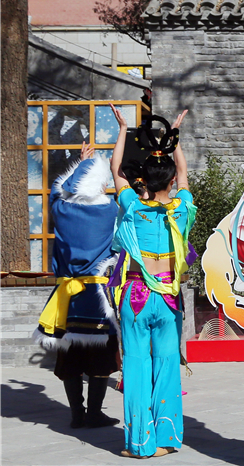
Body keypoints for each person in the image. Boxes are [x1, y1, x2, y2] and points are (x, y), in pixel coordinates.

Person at [109, 106, 195, 459]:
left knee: (136, 366)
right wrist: (174, 137)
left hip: (137, 295)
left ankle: (140, 443)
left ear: (142, 179)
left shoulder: (133, 207)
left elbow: (116, 169)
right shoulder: (182, 208)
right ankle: (167, 437)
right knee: (167, 364)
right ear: (171, 181)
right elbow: (184, 172)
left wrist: (123, 130)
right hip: (169, 297)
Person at [33, 141, 121, 429]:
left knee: (70, 356)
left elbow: (57, 190)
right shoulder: (110, 210)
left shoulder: (61, 210)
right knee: (101, 355)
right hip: (98, 297)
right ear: (98, 184)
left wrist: (80, 164)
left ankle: (76, 414)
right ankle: (94, 413)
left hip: (67, 297)